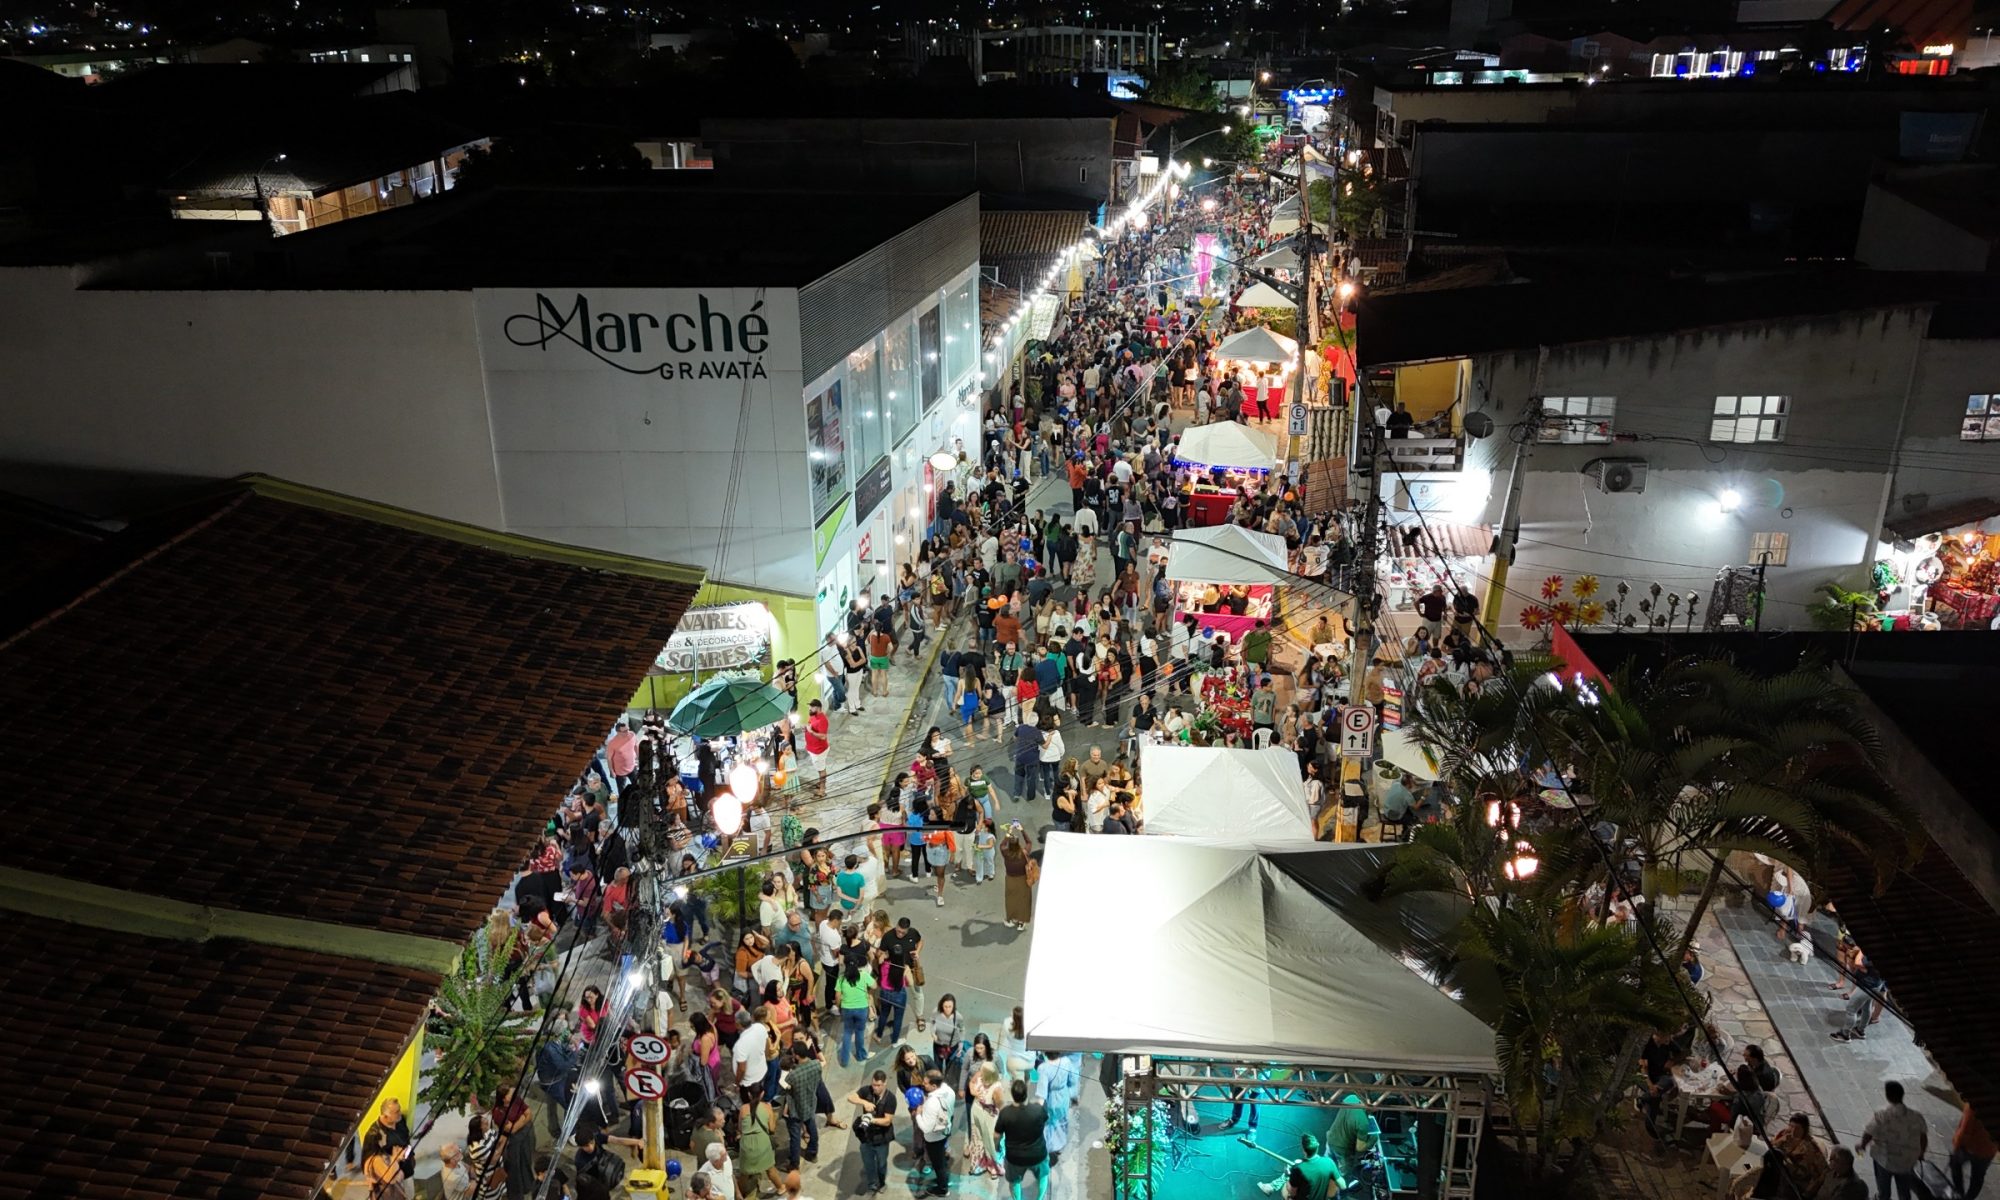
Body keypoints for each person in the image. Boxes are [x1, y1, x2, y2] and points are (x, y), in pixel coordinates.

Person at [1859, 1081, 1928, 1200]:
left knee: (1884, 1190)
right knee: (1904, 1190)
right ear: (1902, 1095)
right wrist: (1921, 1153)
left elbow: (1869, 1133)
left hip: (1884, 1160)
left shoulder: (1882, 1115)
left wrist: (1862, 1145)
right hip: (1907, 1162)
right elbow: (1923, 1137)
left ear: (1887, 1096)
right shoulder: (1916, 1116)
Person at [995, 1078, 1050, 1200]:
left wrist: (997, 1147)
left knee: (1014, 1182)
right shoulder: (1038, 1110)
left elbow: (997, 1136)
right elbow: (1045, 1121)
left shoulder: (1005, 1114)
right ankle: (1040, 1198)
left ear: (1012, 1095)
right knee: (1043, 1176)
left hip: (1015, 1158)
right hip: (1038, 1154)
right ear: (1026, 1093)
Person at [914, 1068, 957, 1198]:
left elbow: (926, 1128)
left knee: (938, 1164)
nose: (923, 1084)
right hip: (946, 1130)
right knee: (941, 1158)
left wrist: (918, 1114)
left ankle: (942, 1189)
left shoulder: (932, 1103)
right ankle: (944, 1178)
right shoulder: (949, 1091)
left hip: (934, 1138)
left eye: (926, 1083)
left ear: (934, 1086)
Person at [1256, 1133, 1339, 1199]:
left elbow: (1291, 1191)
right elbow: (1335, 1191)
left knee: (1294, 1169)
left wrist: (1289, 1177)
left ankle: (1272, 1186)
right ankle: (1272, 1186)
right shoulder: (1328, 1164)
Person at [1036, 1050, 1082, 1167]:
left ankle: (1051, 1146)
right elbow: (1073, 1079)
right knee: (1062, 1121)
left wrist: (1037, 1109)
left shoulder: (1044, 1068)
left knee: (1050, 1124)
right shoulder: (1066, 1062)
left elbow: (1042, 1093)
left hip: (1051, 1099)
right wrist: (1073, 1095)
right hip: (1063, 1096)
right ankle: (1060, 1145)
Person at [778, 1050, 822, 1170]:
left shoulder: (791, 1077)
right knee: (812, 1128)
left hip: (795, 1109)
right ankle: (812, 1153)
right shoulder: (812, 1066)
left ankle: (794, 1163)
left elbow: (782, 1090)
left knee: (795, 1136)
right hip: (809, 1104)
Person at [1324, 1094, 1376, 1187]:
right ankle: (1339, 1190)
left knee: (1327, 1164)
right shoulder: (1363, 1123)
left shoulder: (1351, 1098)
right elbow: (1360, 1148)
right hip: (1343, 1149)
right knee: (1343, 1174)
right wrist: (1373, 1140)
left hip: (1331, 1138)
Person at [1954, 1100, 1996, 1199]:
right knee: (1978, 1178)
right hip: (1989, 1150)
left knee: (1955, 1164)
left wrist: (1957, 1143)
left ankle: (1958, 1193)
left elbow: (1966, 1128)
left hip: (1971, 1146)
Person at [1001, 824, 1037, 929]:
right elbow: (1029, 842)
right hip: (1023, 880)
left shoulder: (1006, 853)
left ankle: (1011, 919)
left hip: (1010, 880)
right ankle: (1021, 923)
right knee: (1023, 900)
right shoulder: (1024, 853)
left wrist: (1009, 831)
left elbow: (1002, 844)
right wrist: (1022, 830)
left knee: (1011, 900)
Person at [803, 700, 830, 797]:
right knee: (820, 767)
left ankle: (822, 789)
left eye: (812, 707)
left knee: (821, 769)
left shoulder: (823, 720)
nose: (809, 709)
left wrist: (811, 732)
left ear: (818, 708)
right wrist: (806, 729)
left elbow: (823, 736)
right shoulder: (812, 715)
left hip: (819, 750)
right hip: (813, 748)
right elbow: (810, 726)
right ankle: (821, 783)